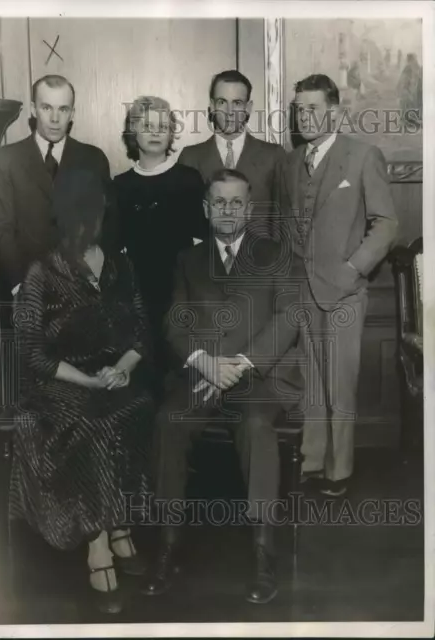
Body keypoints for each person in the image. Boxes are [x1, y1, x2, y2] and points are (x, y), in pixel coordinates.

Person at [141, 169, 303, 604]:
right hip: (203, 373)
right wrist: (205, 363)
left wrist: (241, 365)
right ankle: (168, 546)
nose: (228, 210)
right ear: (206, 208)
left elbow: (288, 318)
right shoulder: (187, 260)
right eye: (219, 202)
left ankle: (263, 553)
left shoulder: (276, 253)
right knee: (167, 421)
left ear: (248, 209)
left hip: (258, 379)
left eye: (236, 202)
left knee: (254, 427)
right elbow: (175, 322)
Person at [8, 169, 155, 615]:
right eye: (77, 214)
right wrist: (90, 379)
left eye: (93, 213)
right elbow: (33, 353)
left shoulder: (119, 264)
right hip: (60, 381)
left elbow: (142, 332)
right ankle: (99, 543)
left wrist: (124, 368)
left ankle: (120, 524)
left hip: (115, 375)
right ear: (62, 216)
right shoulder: (42, 272)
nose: (85, 223)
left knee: (135, 408)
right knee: (93, 421)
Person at [279, 74, 398, 497]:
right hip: (301, 288)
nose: (305, 117)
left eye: (313, 108)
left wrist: (353, 270)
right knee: (310, 380)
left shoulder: (363, 156)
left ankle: (339, 471)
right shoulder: (292, 162)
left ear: (334, 111)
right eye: (299, 109)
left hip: (345, 291)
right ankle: (311, 462)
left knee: (340, 384)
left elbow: (386, 224)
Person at [0, 74, 117, 300]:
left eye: (63, 109)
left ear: (73, 113)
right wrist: (21, 286)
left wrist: (97, 280)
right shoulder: (6, 159)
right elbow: (2, 230)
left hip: (84, 290)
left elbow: (106, 224)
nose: (55, 118)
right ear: (32, 109)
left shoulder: (94, 158)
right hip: (29, 290)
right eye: (47, 108)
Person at [115, 96, 208, 388]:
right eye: (146, 125)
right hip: (137, 303)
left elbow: (204, 246)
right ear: (133, 132)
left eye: (162, 126)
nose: (155, 132)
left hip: (182, 300)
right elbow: (115, 251)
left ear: (170, 133)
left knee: (177, 385)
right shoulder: (119, 186)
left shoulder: (188, 180)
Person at [178, 69, 286, 238]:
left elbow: (282, 222)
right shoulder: (190, 157)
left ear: (248, 108)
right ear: (212, 107)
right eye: (222, 102)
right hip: (207, 261)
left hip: (260, 260)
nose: (229, 111)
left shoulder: (273, 156)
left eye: (237, 103)